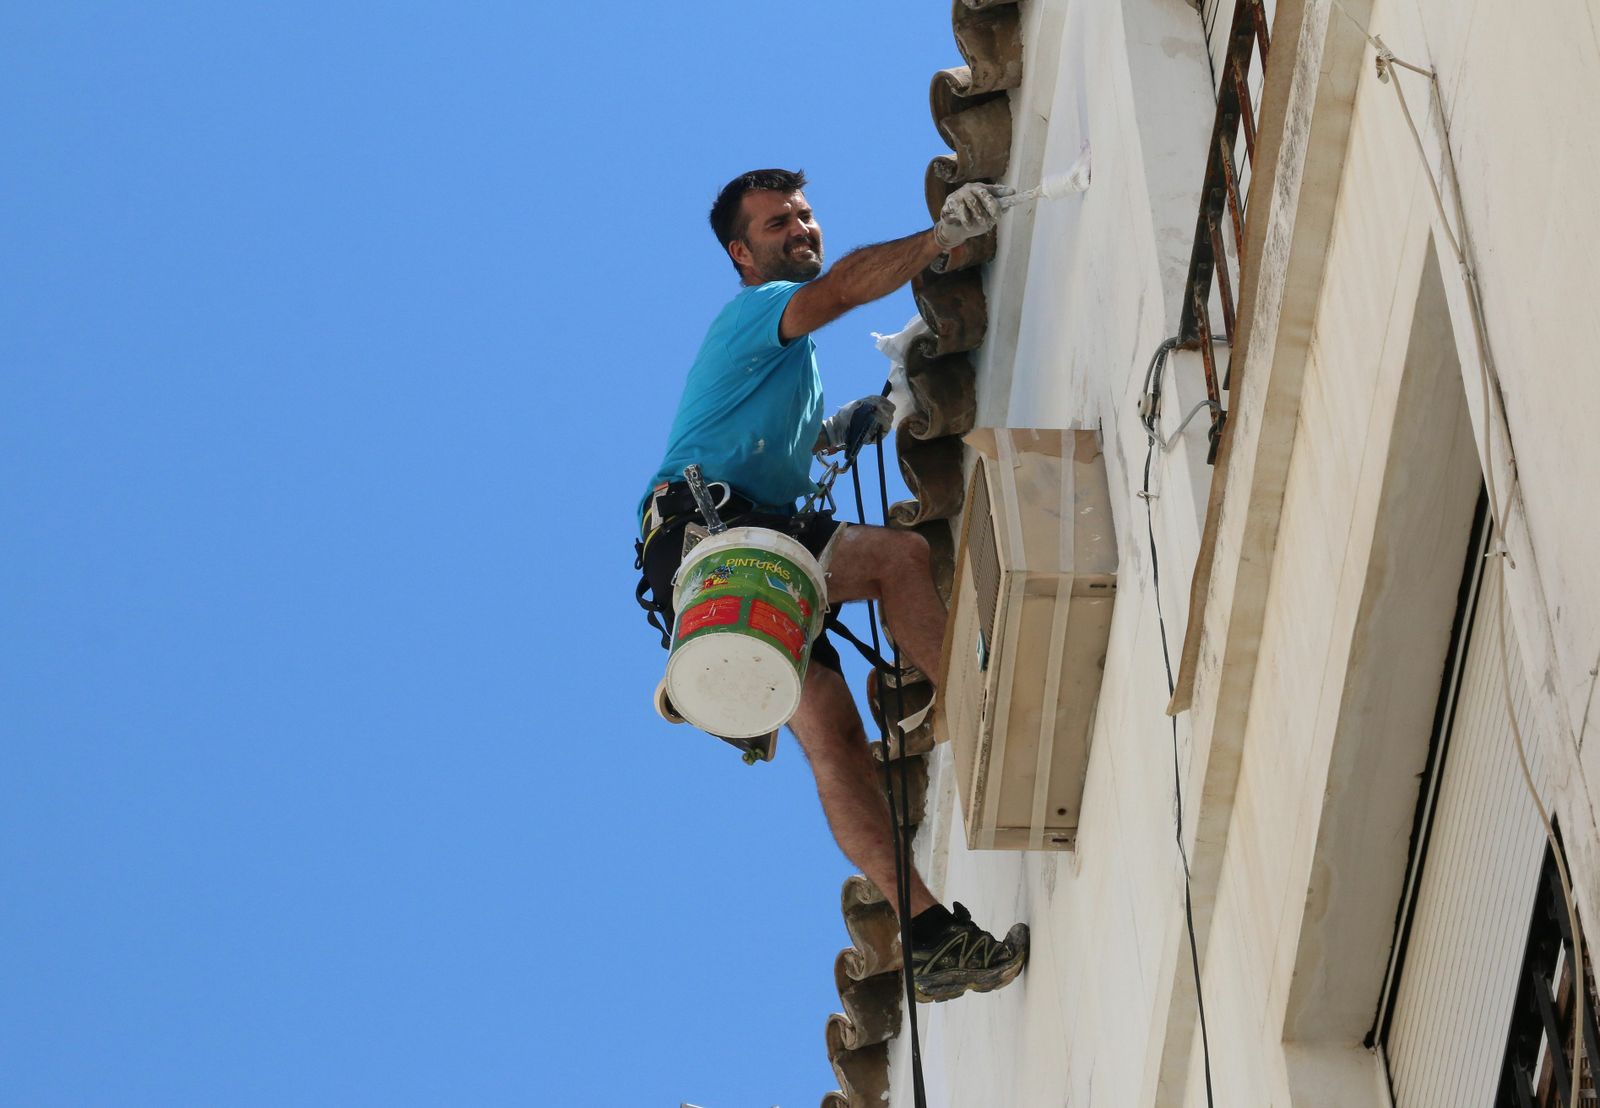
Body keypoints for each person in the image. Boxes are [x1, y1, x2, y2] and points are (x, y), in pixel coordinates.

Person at [635, 169, 1027, 1003]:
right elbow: (847, 286)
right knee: (896, 560)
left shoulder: (786, 358)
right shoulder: (757, 313)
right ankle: (986, 705)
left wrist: (838, 428)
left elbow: (756, 434)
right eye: (779, 223)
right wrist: (939, 240)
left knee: (837, 741)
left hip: (727, 560)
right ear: (743, 253)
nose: (800, 228)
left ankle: (928, 934)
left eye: (805, 214)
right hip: (722, 532)